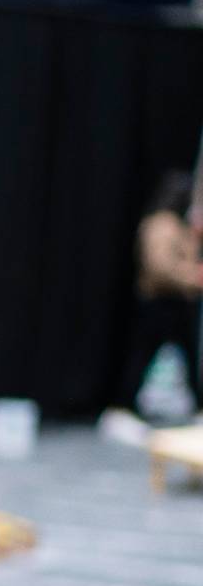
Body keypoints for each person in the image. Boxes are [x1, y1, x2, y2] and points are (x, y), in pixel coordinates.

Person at [102, 172, 202, 439]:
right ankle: (121, 409)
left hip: (180, 301)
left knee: (191, 359)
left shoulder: (181, 226)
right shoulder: (160, 224)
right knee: (141, 356)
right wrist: (193, 276)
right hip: (160, 301)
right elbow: (160, 267)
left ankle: (198, 409)